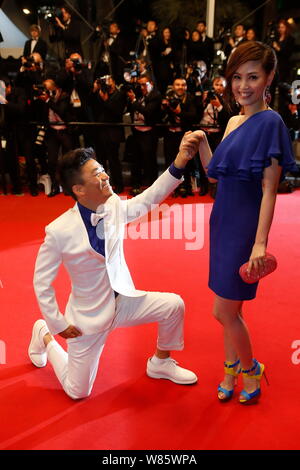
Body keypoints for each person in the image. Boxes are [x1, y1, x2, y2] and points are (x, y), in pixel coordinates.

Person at [28, 135, 201, 400]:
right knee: (78, 392)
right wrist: (57, 323)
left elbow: (148, 199)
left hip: (123, 301)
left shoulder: (114, 206)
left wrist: (179, 163)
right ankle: (44, 335)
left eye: (103, 169)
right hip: (87, 318)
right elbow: (42, 283)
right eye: (97, 173)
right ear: (79, 189)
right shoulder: (58, 231)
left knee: (174, 305)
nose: (106, 175)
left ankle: (160, 363)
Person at [196, 41, 297, 404]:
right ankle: (230, 367)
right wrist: (202, 144)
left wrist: (259, 243)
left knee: (222, 310)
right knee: (232, 310)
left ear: (269, 77)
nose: (243, 85)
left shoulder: (271, 123)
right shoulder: (234, 120)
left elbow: (270, 190)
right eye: (237, 77)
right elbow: (214, 175)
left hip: (245, 228)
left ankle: (251, 369)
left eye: (253, 76)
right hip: (222, 220)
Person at [126, 74, 162, 194]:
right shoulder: (139, 95)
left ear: (151, 83)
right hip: (136, 131)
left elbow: (148, 112)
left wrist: (134, 101)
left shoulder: (155, 95)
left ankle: (153, 186)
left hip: (149, 133)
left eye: (144, 84)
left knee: (150, 160)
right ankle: (136, 184)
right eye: (139, 84)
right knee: (135, 159)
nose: (141, 87)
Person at [162, 77, 197, 197]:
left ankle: (185, 186)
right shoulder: (167, 98)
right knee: (170, 161)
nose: (180, 87)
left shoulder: (191, 99)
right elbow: (160, 115)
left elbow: (193, 116)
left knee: (185, 162)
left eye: (183, 85)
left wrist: (179, 112)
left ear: (186, 87)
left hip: (183, 135)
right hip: (170, 135)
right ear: (173, 86)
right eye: (178, 85)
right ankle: (170, 188)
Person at [91, 75, 126, 193]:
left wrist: (105, 100)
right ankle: (103, 184)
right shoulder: (100, 93)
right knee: (100, 160)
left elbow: (117, 112)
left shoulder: (119, 94)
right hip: (100, 131)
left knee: (113, 160)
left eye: (109, 79)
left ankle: (118, 185)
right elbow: (92, 107)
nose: (106, 82)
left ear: (114, 82)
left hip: (113, 132)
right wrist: (95, 90)